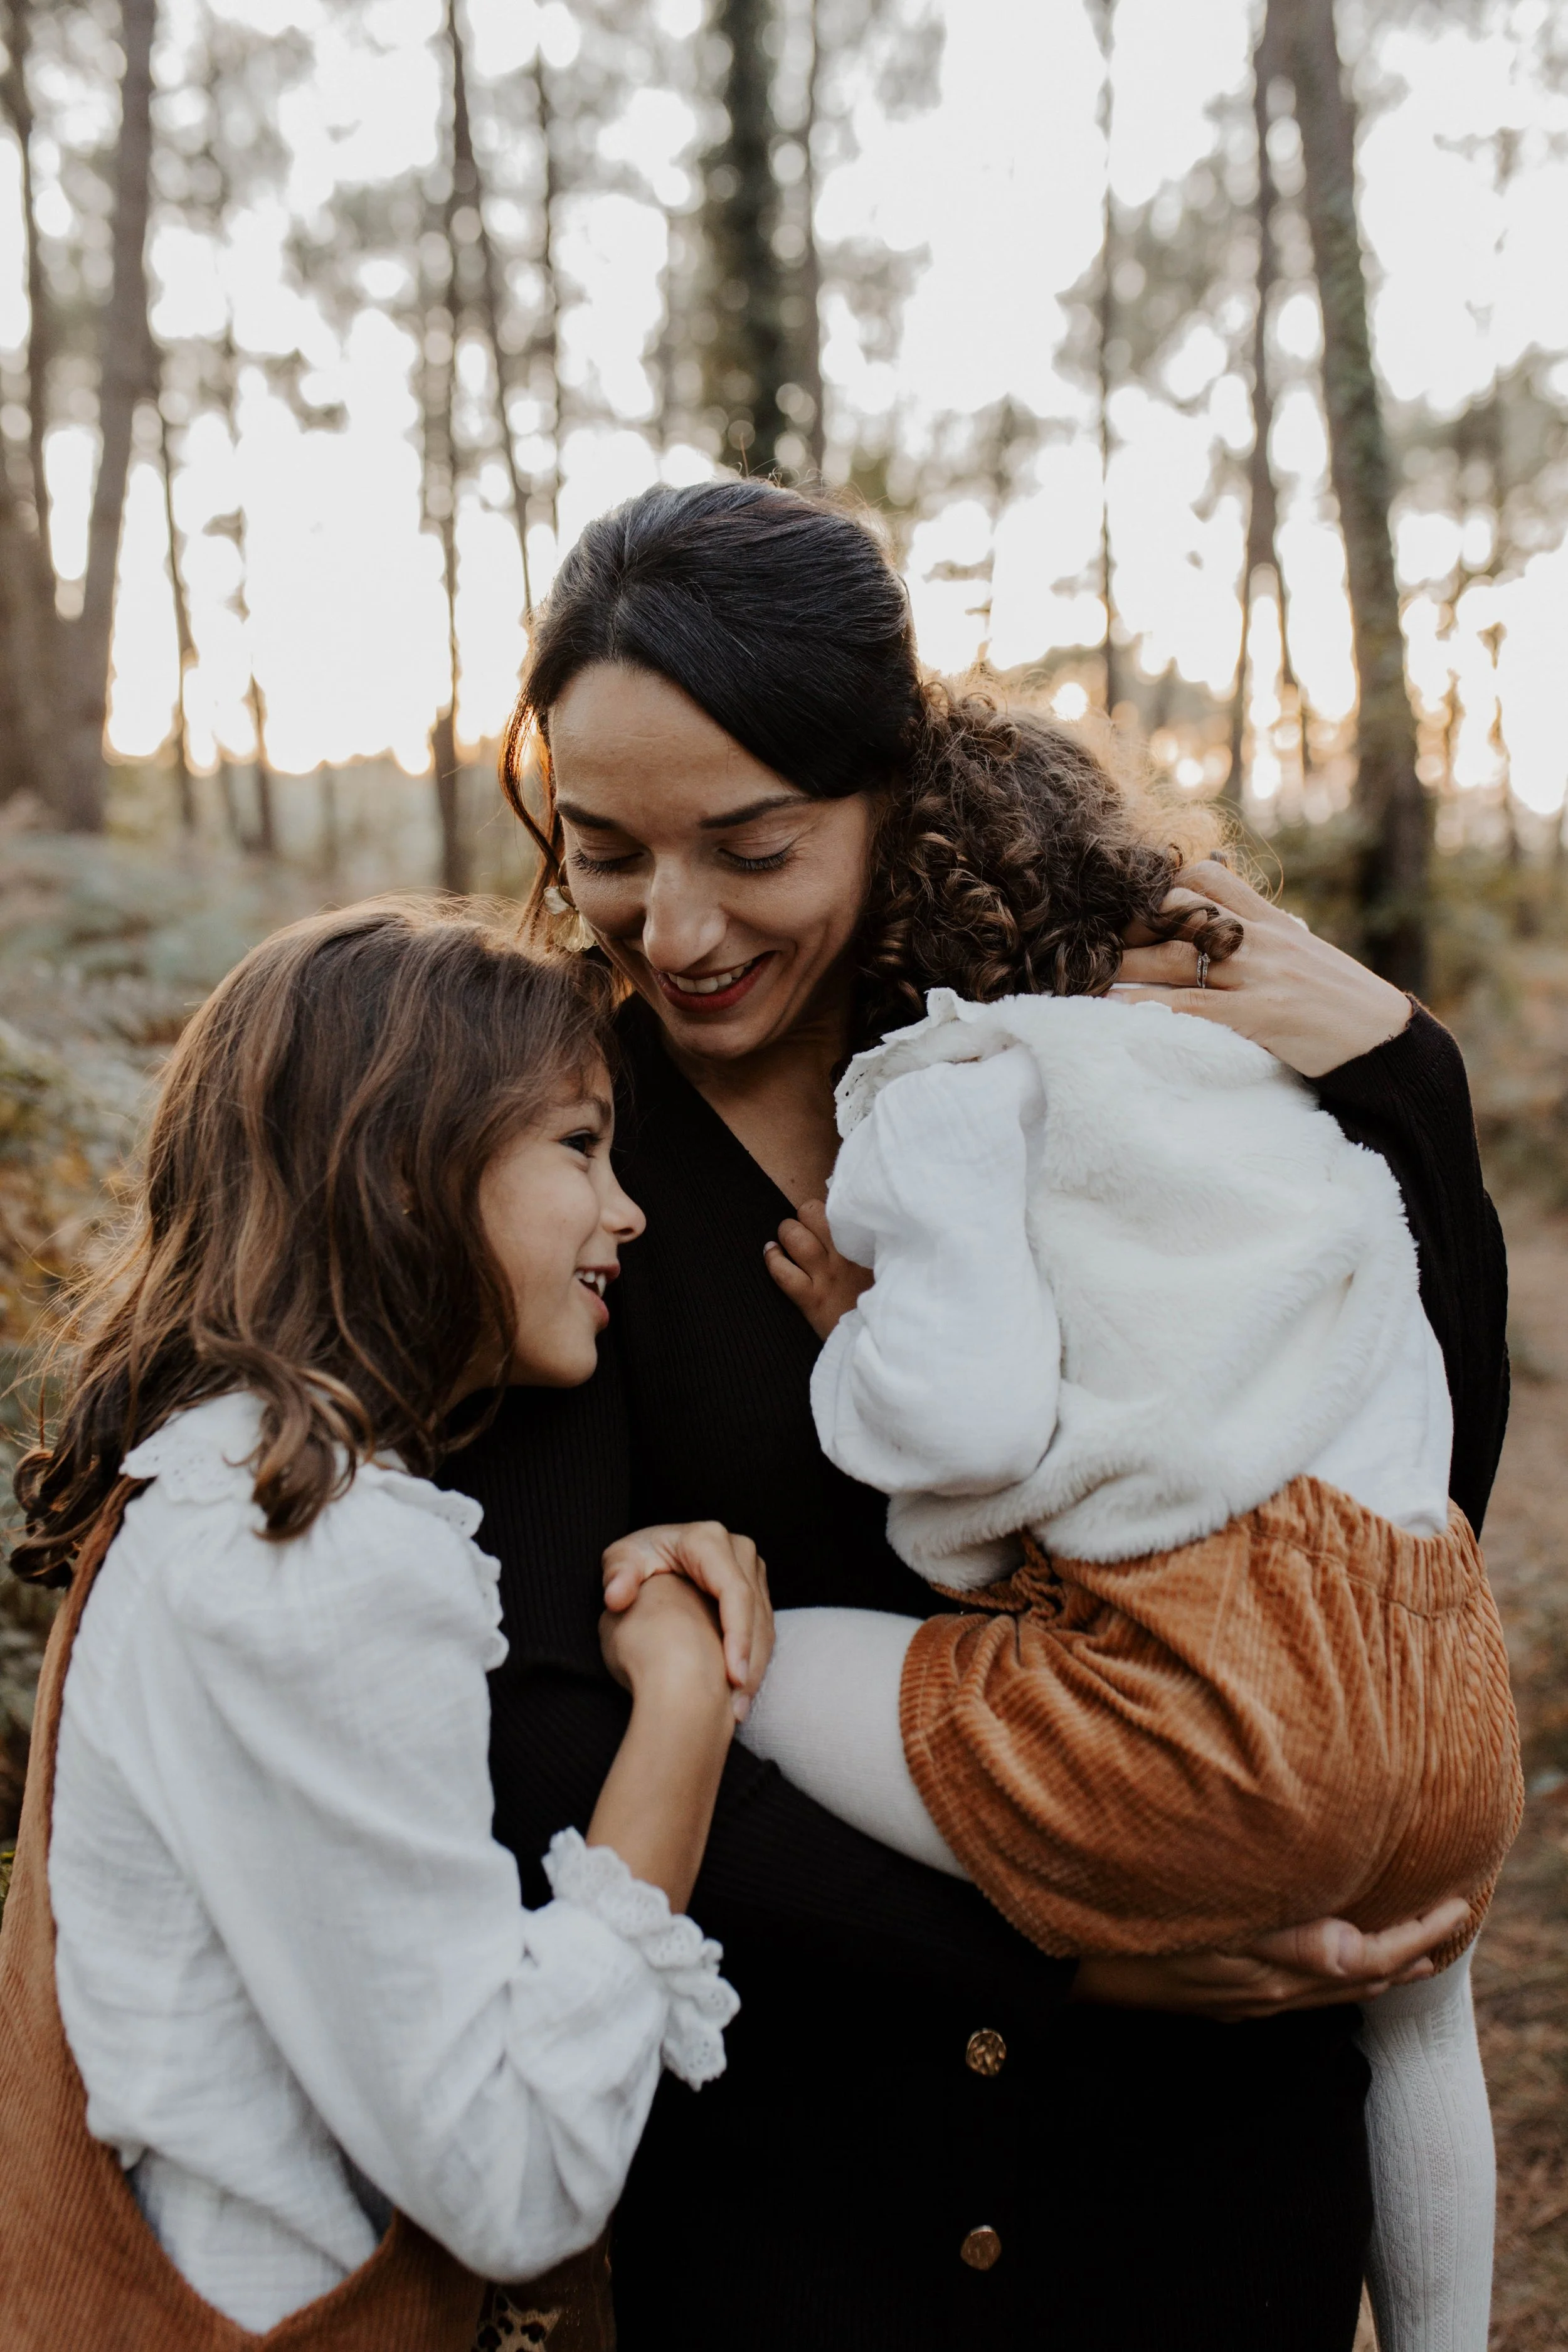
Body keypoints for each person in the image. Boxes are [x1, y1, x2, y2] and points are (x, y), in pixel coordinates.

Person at [452, 477, 1508, 2352]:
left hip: (1194, 2179)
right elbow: (531, 1717)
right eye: (605, 848)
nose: (671, 926)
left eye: (752, 847)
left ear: (886, 791)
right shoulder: (552, 1138)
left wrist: (1398, 1079)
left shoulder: (1057, 1050)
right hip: (806, 2183)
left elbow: (1399, 1491)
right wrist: (1081, 1936)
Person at [731, 714, 1520, 2352]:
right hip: (1441, 1698)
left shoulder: (951, 1084)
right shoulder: (1279, 1076)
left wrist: (858, 1344)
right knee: (1417, 2017)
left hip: (1213, 1734)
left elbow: (963, 1435)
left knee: (741, 1652)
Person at [0, 900, 771, 2351]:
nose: (629, 1211)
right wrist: (684, 1701)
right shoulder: (312, 1553)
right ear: (407, 1169)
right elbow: (519, 2172)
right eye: (577, 1147)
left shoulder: (216, 1493)